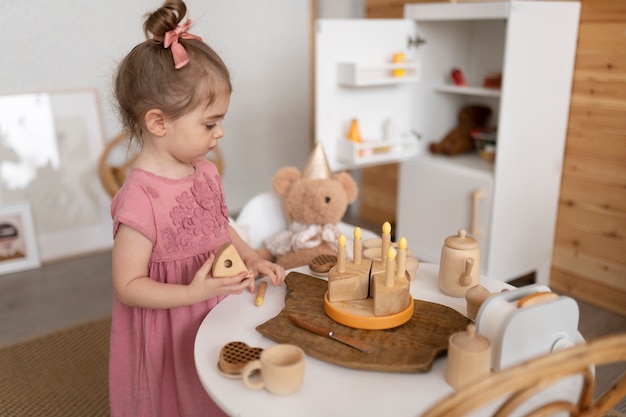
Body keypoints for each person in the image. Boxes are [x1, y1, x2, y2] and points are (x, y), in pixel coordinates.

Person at [108, 1, 285, 416]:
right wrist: (193, 292)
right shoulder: (141, 199)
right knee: (179, 394)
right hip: (170, 323)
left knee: (221, 382)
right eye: (210, 123)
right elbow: (128, 286)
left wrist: (252, 256)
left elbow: (217, 225)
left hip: (214, 304)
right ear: (158, 123)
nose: (220, 133)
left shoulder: (203, 172)